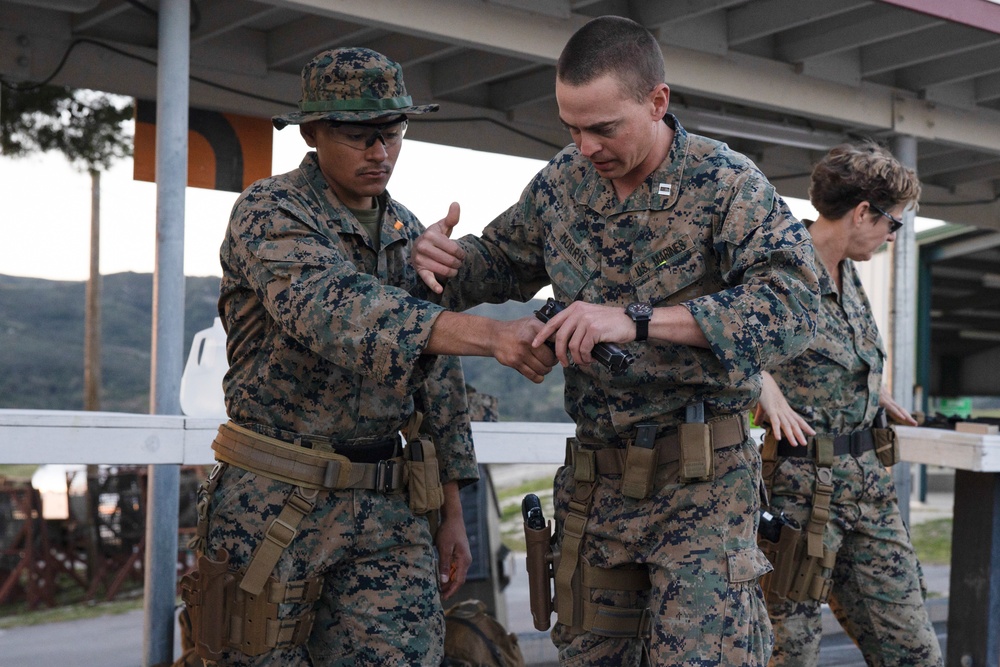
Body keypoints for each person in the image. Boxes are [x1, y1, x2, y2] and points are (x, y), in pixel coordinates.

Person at [412, 16, 820, 667]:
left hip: (701, 487)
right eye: (571, 127)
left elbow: (795, 309)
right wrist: (442, 261)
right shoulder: (561, 184)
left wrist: (632, 319)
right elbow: (498, 260)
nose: (585, 146)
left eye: (604, 128)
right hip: (597, 488)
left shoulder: (725, 185)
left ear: (658, 101)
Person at [188, 47, 552, 667]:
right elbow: (332, 310)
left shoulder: (408, 231)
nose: (379, 151)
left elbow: (438, 384)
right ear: (313, 133)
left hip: (387, 508)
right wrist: (489, 335)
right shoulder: (271, 213)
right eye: (359, 135)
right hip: (274, 500)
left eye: (392, 133)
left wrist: (454, 508)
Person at [753, 141, 943, 666]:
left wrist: (871, 389)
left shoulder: (848, 273)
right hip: (799, 494)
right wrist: (762, 385)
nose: (892, 236)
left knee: (914, 651)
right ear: (863, 212)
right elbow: (718, 338)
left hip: (867, 487)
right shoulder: (780, 266)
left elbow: (831, 355)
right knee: (791, 652)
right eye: (893, 224)